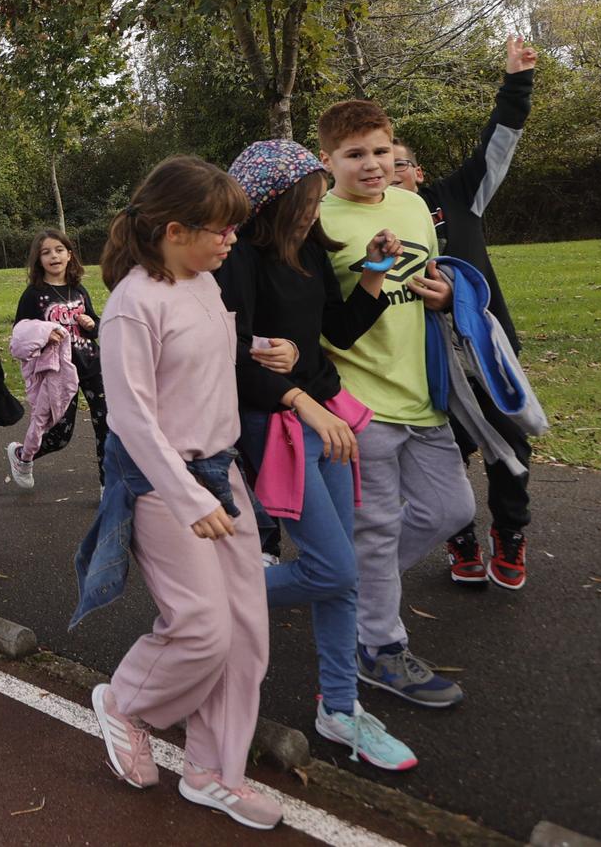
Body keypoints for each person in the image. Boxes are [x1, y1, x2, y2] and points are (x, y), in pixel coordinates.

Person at [76, 156, 280, 829]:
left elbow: (194, 357)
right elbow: (132, 417)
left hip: (222, 474)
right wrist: (192, 501)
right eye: (219, 229)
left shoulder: (203, 282)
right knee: (202, 629)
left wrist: (254, 349)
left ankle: (213, 771)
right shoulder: (133, 304)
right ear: (173, 229)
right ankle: (127, 703)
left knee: (247, 634)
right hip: (166, 486)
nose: (231, 241)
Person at [217, 140, 418, 771]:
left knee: (344, 572)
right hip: (279, 421)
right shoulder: (240, 259)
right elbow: (229, 357)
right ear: (273, 203)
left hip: (326, 415)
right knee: (334, 570)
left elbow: (339, 331)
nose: (314, 212)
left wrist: (376, 273)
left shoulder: (307, 249)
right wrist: (296, 393)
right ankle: (210, 600)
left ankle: (340, 707)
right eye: (305, 201)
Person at [315, 99, 472, 709]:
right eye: (355, 155)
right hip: (361, 401)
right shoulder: (319, 221)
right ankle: (378, 648)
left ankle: (351, 590)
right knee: (375, 528)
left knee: (449, 509)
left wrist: (443, 293)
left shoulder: (411, 206)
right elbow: (323, 323)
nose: (372, 164)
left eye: (381, 151)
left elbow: (429, 277)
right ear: (329, 161)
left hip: (424, 393)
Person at [392, 35, 540, 590]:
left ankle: (510, 534)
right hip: (418, 362)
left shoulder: (460, 196)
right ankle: (460, 541)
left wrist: (517, 80)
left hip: (483, 349)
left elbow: (500, 139)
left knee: (510, 443)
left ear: (419, 171)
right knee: (442, 454)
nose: (393, 172)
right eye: (385, 165)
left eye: (402, 163)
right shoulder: (368, 226)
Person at [6, 229, 112, 489]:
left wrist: (91, 324)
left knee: (107, 427)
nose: (53, 256)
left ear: (69, 255)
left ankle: (107, 486)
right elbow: (20, 334)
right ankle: (22, 455)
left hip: (91, 365)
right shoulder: (34, 295)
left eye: (59, 250)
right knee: (60, 436)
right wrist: (44, 337)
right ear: (38, 260)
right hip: (59, 373)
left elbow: (97, 326)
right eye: (46, 252)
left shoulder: (78, 289)